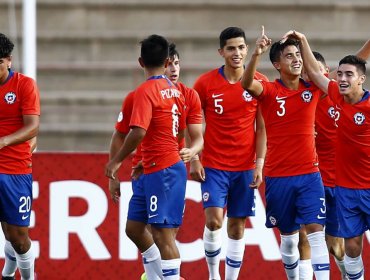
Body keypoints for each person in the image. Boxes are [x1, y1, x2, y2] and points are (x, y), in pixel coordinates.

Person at [105, 34, 202, 280]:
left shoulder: (146, 91)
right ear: (167, 60)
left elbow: (139, 131)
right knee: (134, 228)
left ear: (140, 62)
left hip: (164, 170)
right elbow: (176, 131)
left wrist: (116, 162)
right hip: (153, 167)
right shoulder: (175, 92)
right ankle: (160, 276)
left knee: (162, 234)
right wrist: (144, 160)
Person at [241, 27, 330, 280]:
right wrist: (256, 53)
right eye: (290, 55)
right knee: (289, 239)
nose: (297, 59)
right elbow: (247, 84)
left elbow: (320, 74)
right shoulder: (270, 91)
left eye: (298, 55)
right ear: (277, 64)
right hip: (278, 177)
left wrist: (303, 40)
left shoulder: (312, 89)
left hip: (310, 175)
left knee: (315, 231)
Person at [284, 30, 369, 280]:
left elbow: (356, 59)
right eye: (338, 75)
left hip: (360, 182)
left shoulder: (348, 98)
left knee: (338, 246)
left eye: (347, 75)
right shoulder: (317, 98)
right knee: (339, 244)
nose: (340, 79)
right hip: (331, 184)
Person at [192, 26, 267, 280]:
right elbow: (192, 123)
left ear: (247, 50)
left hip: (245, 167)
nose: (237, 53)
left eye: (241, 47)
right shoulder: (205, 83)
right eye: (231, 48)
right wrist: (194, 157)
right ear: (221, 52)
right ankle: (214, 275)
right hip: (214, 165)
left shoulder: (260, 83)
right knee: (214, 221)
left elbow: (262, 128)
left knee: (237, 227)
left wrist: (259, 165)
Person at [0, 33, 40, 280]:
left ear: (8, 61)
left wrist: (4, 141)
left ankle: (23, 276)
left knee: (18, 237)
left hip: (15, 170)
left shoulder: (24, 85)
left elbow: (32, 126)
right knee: (8, 233)